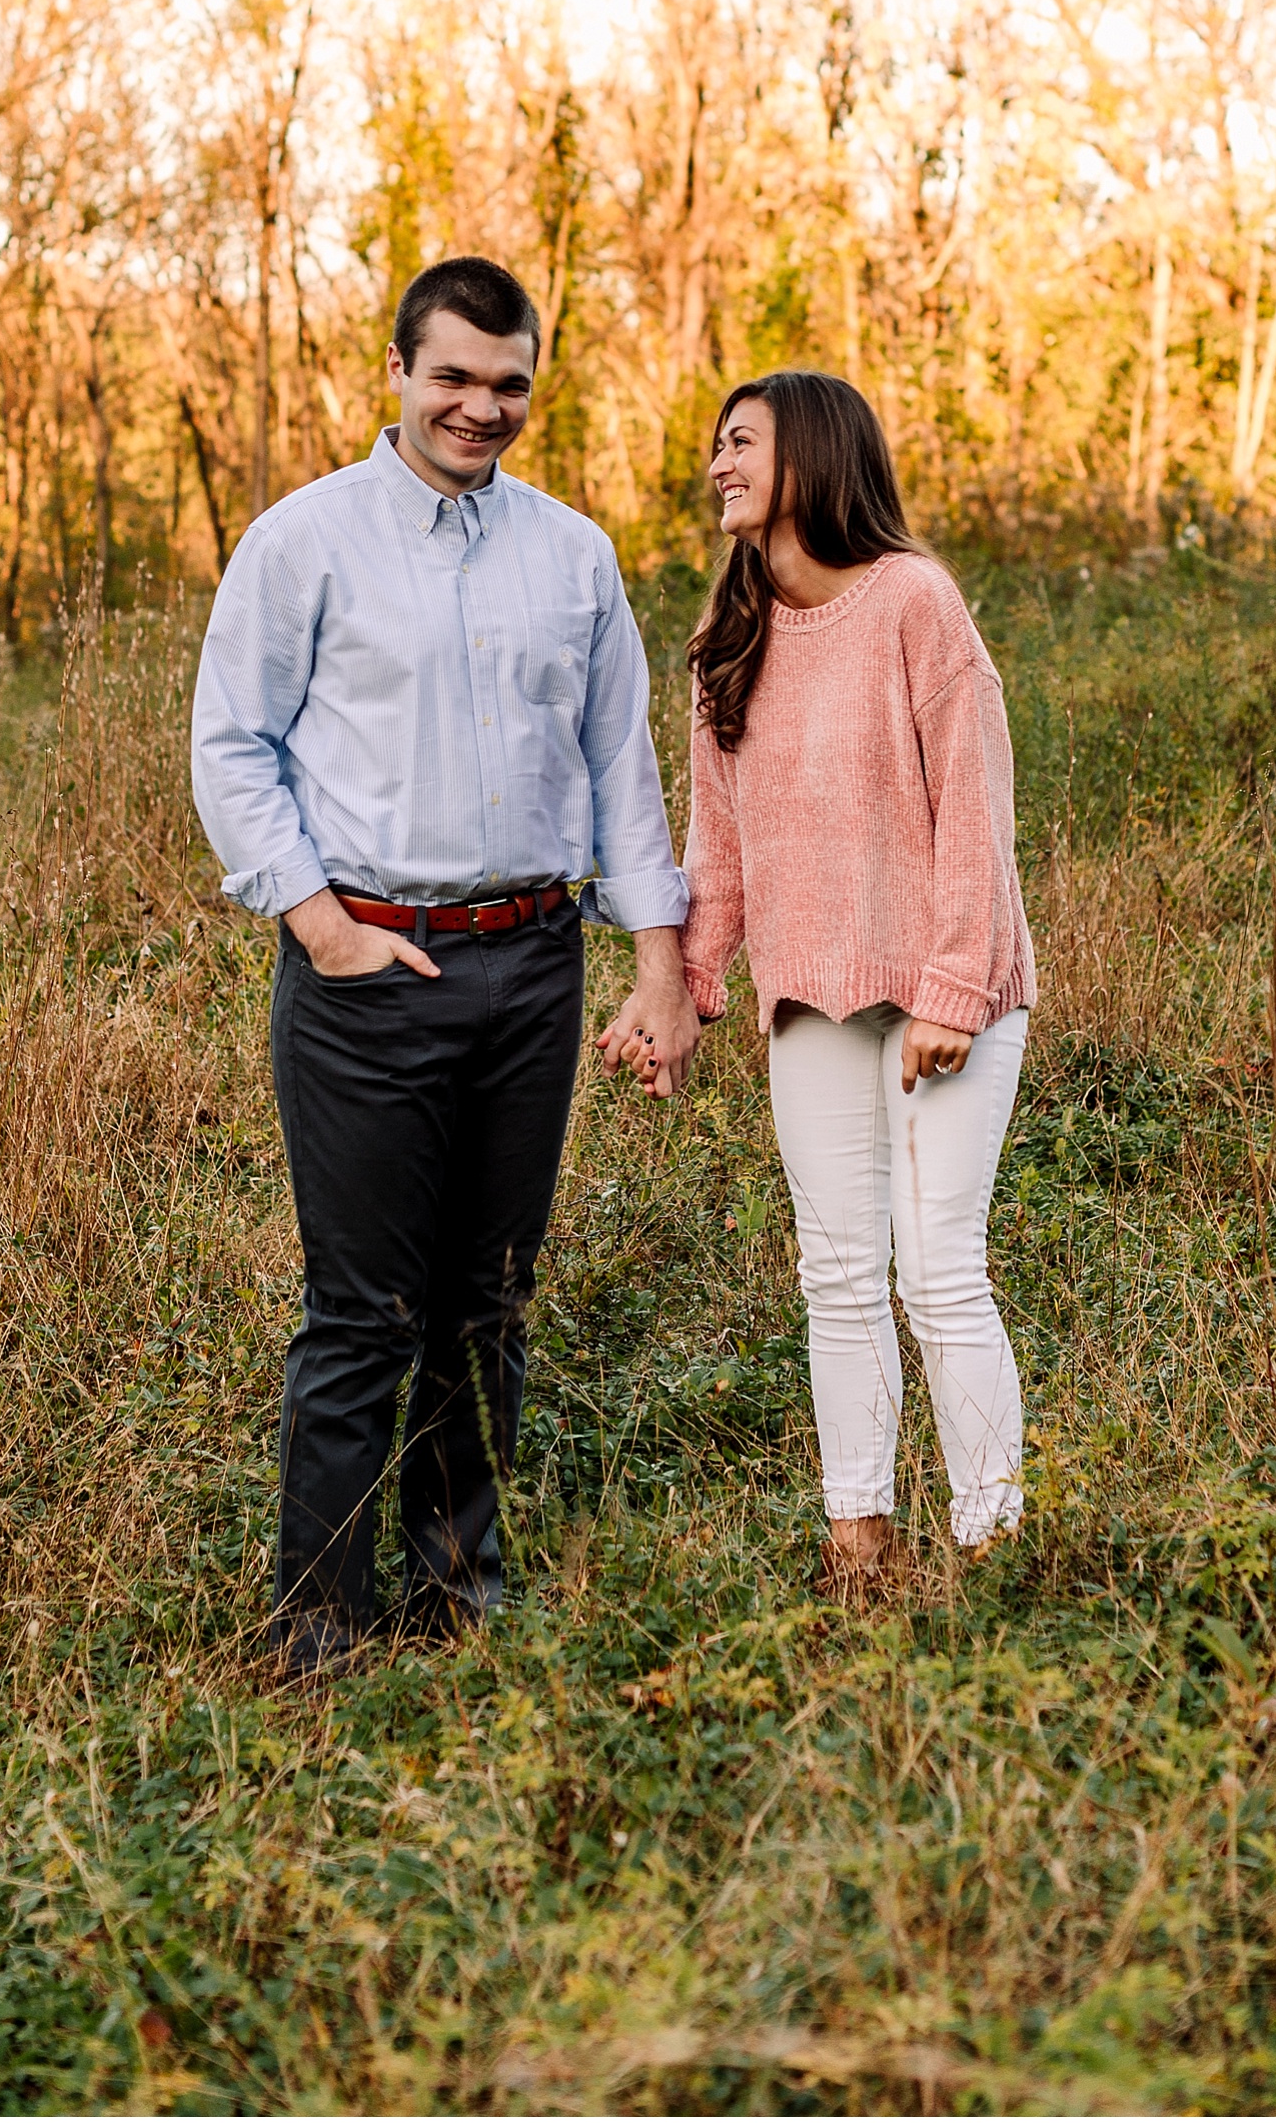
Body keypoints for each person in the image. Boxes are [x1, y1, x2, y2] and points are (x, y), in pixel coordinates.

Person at [191, 255, 699, 1678]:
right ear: (399, 370)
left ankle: (457, 1590)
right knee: (365, 1306)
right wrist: (320, 924)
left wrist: (658, 972)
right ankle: (316, 1621)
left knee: (488, 1294)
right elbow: (231, 740)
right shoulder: (306, 542)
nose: (483, 406)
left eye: (510, 382)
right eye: (456, 377)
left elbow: (620, 766)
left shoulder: (574, 554)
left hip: (533, 962)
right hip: (368, 969)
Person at [664, 370, 1037, 1583]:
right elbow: (715, 850)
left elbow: (975, 814)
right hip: (811, 999)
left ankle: (991, 1545)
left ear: (814, 459)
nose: (718, 464)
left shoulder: (914, 602)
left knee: (937, 1271)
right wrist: (686, 986)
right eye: (714, 447)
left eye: (742, 444)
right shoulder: (728, 642)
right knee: (836, 1274)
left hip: (945, 995)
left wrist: (953, 992)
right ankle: (859, 1544)